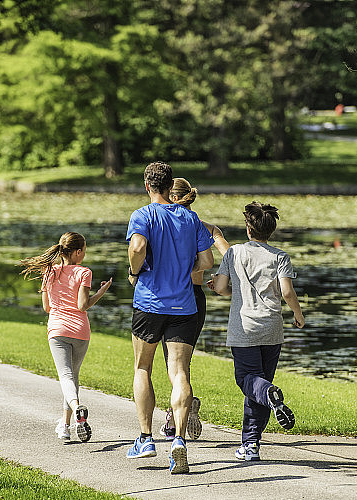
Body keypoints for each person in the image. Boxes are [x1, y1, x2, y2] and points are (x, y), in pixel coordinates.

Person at [125, 162, 215, 474]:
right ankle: (179, 440)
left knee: (143, 367)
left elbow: (137, 246)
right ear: (169, 186)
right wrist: (181, 272)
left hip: (149, 304)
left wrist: (135, 272)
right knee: (179, 373)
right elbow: (207, 259)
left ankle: (146, 439)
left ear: (147, 185)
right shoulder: (190, 218)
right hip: (184, 307)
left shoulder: (143, 215)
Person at [208, 201, 305, 462]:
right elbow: (286, 291)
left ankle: (256, 429)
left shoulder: (235, 253)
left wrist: (216, 285)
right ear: (270, 230)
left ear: (248, 229)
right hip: (272, 330)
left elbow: (222, 288)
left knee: (248, 380)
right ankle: (251, 445)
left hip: (244, 329)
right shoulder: (280, 256)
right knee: (259, 382)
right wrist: (298, 313)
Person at [19, 232, 112, 442]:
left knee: (66, 376)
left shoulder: (49, 272)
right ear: (78, 252)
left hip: (58, 330)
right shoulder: (84, 272)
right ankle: (66, 425)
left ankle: (76, 408)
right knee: (72, 377)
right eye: (84, 251)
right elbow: (82, 306)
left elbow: (46, 307)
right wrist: (102, 291)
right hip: (80, 331)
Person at [158, 178, 231, 441]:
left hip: (173, 296)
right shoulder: (206, 227)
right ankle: (183, 406)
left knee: (174, 362)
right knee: (180, 362)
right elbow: (230, 257)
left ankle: (175, 413)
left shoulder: (163, 226)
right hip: (196, 297)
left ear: (169, 196)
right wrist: (221, 281)